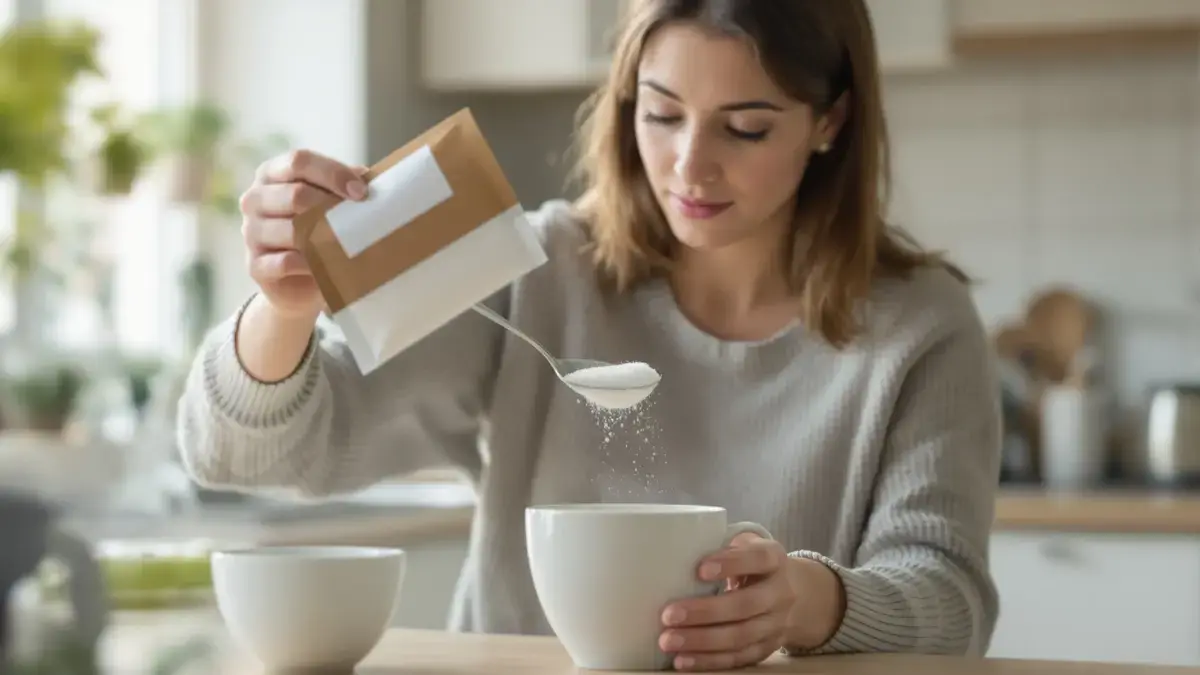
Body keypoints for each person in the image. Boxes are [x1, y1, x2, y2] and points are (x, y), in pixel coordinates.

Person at [177, 0, 1002, 670]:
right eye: (662, 113)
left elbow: (948, 598)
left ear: (831, 121)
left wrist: (809, 602)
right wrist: (284, 307)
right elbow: (241, 456)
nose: (689, 165)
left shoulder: (919, 325)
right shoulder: (539, 269)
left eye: (745, 127)